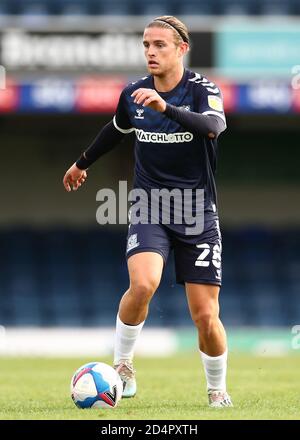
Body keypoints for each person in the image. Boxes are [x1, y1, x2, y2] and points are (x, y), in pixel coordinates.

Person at [63, 15, 232, 408]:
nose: (151, 52)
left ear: (181, 49)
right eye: (146, 45)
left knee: (206, 315)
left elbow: (213, 127)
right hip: (149, 205)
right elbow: (115, 129)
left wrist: (167, 107)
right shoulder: (134, 92)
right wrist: (81, 163)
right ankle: (122, 365)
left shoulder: (203, 90)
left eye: (159, 45)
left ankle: (217, 391)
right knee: (143, 285)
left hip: (197, 213)